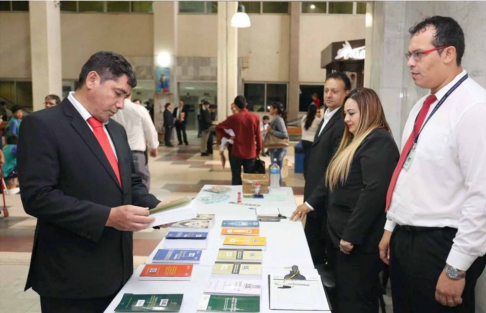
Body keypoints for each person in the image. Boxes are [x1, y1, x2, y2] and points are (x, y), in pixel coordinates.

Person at [17, 51, 163, 313]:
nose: (120, 105)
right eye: (117, 93)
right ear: (92, 79)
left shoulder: (115, 130)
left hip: (117, 270)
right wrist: (107, 216)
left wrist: (161, 208)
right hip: (71, 275)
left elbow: (129, 183)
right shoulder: (42, 125)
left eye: (125, 97)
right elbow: (38, 196)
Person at [379, 16, 486, 313]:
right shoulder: (423, 105)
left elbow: (482, 196)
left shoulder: (474, 108)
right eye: (408, 55)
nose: (411, 63)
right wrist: (391, 226)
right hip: (408, 238)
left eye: (418, 55)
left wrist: (456, 268)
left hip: (442, 245)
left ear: (448, 53)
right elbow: (408, 171)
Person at [324, 88, 399, 313]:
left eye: (351, 114)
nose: (346, 119)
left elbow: (373, 193)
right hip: (343, 239)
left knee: (356, 302)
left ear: (367, 111)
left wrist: (351, 234)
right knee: (346, 299)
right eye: (345, 114)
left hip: (358, 243)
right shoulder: (358, 140)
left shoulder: (378, 140)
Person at [290, 72, 351, 266]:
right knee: (311, 248)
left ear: (346, 93)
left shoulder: (343, 123)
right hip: (315, 195)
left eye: (335, 91)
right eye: (326, 90)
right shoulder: (326, 116)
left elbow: (333, 168)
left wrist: (312, 202)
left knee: (317, 254)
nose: (329, 95)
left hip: (325, 200)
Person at [112, 97, 160, 190]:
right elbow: (150, 130)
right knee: (141, 180)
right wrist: (154, 147)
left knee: (121, 181)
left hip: (115, 152)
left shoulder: (111, 109)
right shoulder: (138, 109)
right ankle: (141, 203)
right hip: (135, 153)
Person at [216, 95, 261, 185]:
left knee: (236, 176)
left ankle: (236, 196)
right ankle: (248, 197)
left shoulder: (233, 118)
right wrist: (258, 151)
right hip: (250, 152)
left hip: (236, 152)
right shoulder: (255, 117)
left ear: (236, 106)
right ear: (246, 104)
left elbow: (218, 127)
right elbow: (258, 136)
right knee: (249, 179)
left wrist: (228, 137)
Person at [267, 102, 288, 186]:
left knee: (276, 172)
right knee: (275, 172)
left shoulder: (278, 119)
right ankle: (276, 187)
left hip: (278, 149)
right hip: (275, 149)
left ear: (275, 110)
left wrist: (271, 131)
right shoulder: (276, 119)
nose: (270, 109)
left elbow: (284, 134)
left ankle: (277, 188)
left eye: (271, 108)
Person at [300, 104, 322, 179]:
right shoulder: (317, 120)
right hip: (312, 141)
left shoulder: (304, 118)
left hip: (303, 140)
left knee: (306, 158)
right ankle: (309, 174)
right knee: (311, 159)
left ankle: (305, 173)